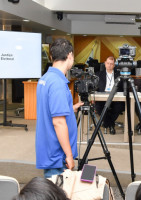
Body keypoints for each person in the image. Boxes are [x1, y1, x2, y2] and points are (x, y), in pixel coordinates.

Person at [36, 38, 83, 178]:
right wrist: (69, 154)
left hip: (48, 149)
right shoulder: (58, 84)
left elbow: (49, 109)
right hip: (57, 155)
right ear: (70, 55)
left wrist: (70, 108)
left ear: (52, 57)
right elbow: (58, 122)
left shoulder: (45, 78)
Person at [95, 56, 125, 135]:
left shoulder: (119, 75)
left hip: (115, 97)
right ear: (105, 63)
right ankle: (111, 124)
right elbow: (95, 87)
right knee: (98, 106)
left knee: (119, 106)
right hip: (102, 98)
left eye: (111, 64)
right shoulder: (98, 74)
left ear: (114, 65)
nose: (109, 65)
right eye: (108, 63)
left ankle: (106, 123)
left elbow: (122, 88)